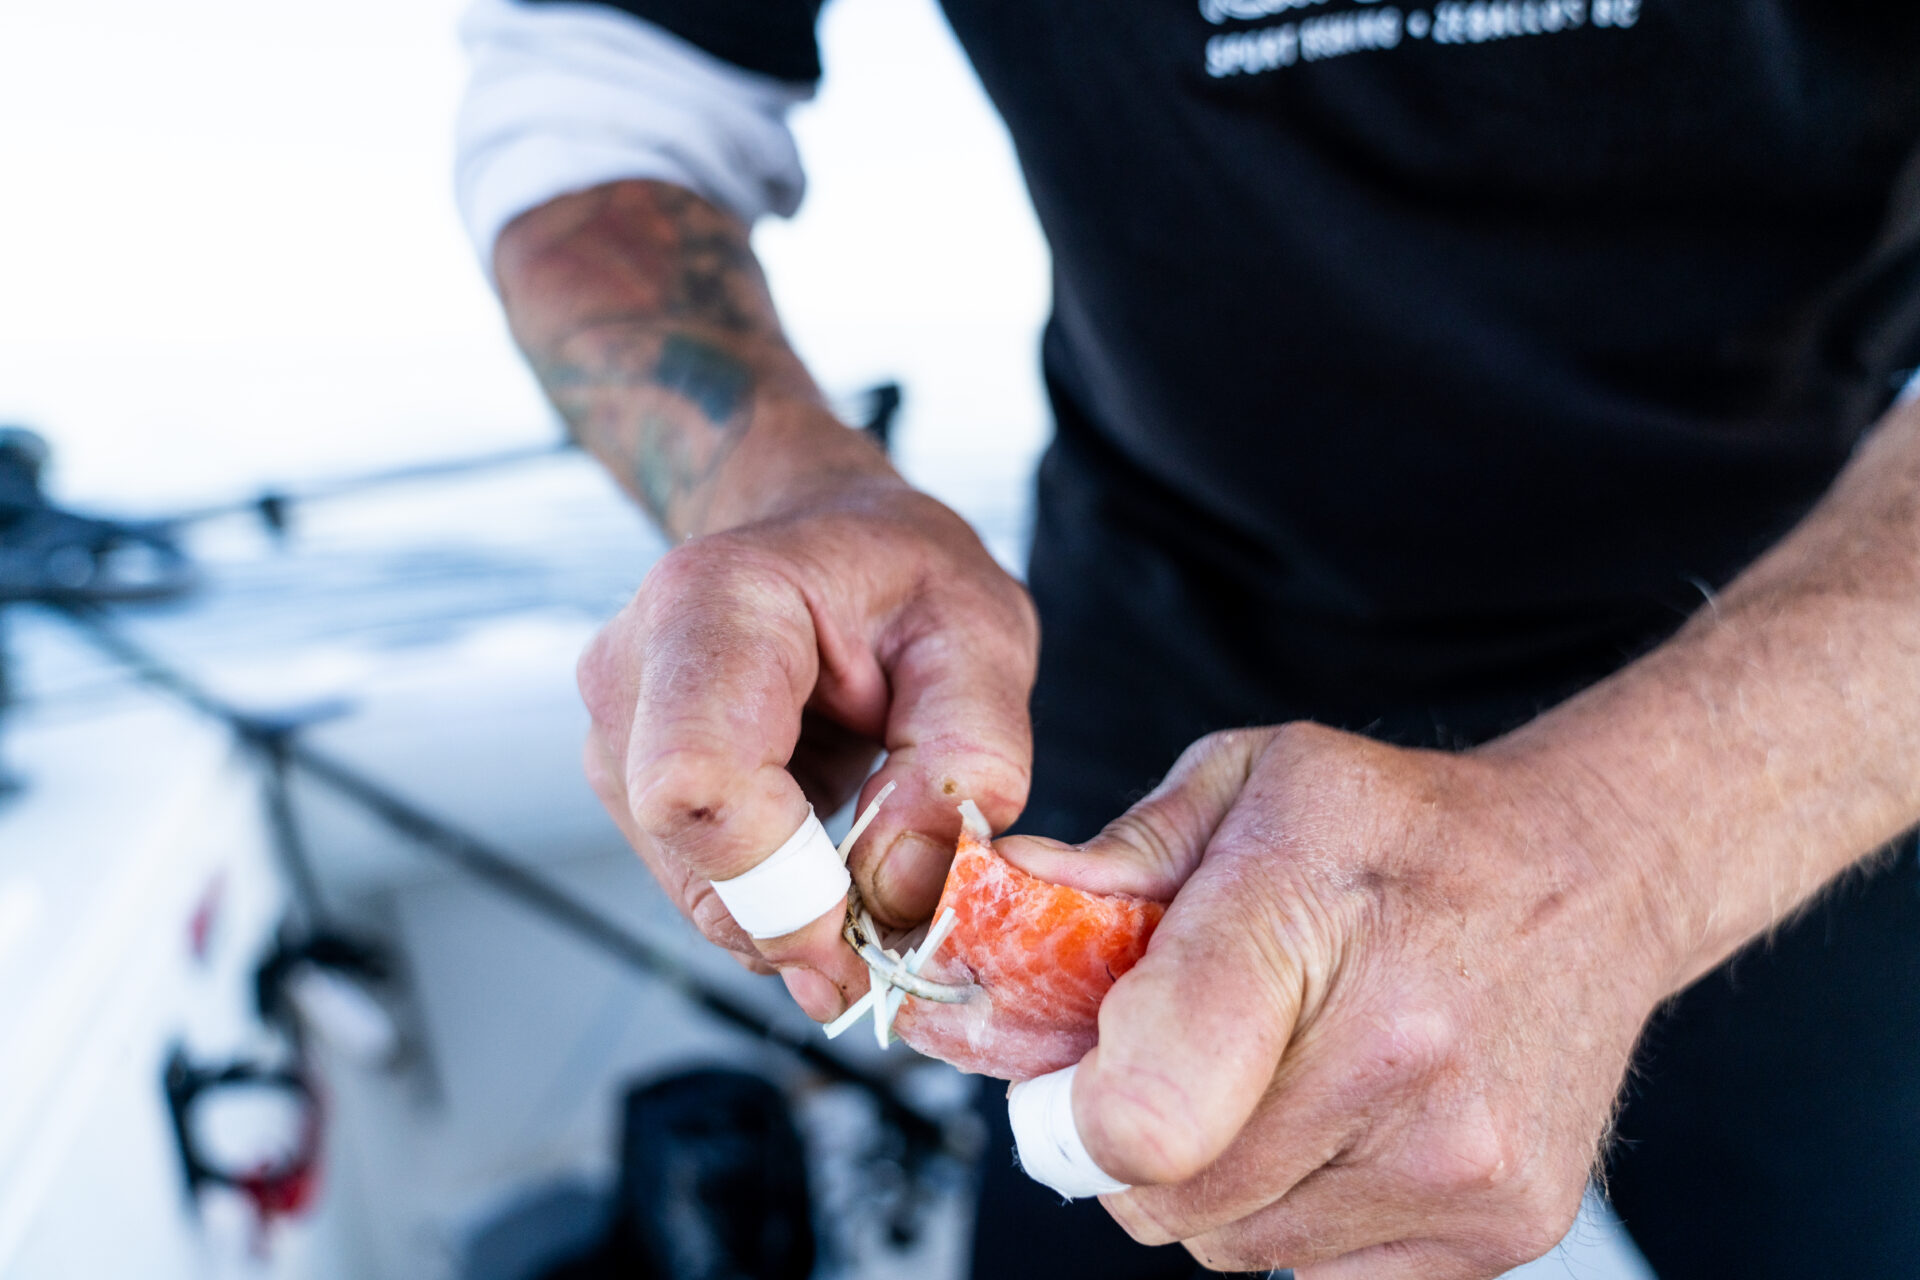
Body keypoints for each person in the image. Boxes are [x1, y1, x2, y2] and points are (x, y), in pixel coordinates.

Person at [455, 3, 1920, 1275]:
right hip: (1131, 662)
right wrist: (781, 485)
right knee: (1092, 1181)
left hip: (1810, 697)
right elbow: (601, 89)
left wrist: (1623, 842)